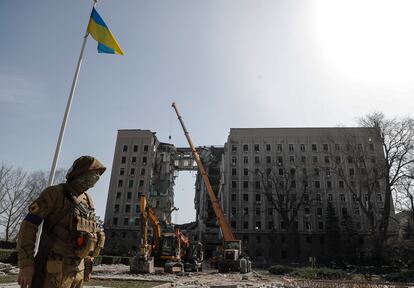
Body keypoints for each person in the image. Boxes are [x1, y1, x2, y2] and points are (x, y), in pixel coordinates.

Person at [17, 156, 106, 288]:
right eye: (95, 173)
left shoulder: (87, 200)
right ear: (82, 172)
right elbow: (28, 226)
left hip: (77, 272)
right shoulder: (55, 194)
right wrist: (26, 265)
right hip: (52, 272)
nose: (97, 177)